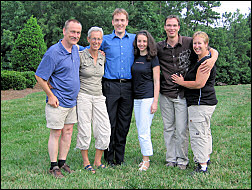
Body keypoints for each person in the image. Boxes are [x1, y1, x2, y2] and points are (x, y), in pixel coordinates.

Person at [156, 15, 218, 170]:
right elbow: (141, 49)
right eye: (168, 25)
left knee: (182, 130)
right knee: (168, 129)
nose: (171, 28)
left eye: (174, 25)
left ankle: (183, 160)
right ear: (164, 27)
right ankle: (171, 158)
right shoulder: (159, 47)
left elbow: (209, 48)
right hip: (166, 93)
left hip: (183, 94)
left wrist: (212, 59)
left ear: (178, 27)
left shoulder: (189, 42)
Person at [35, 19, 82, 178]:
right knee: (56, 132)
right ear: (64, 31)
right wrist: (50, 95)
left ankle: (62, 162)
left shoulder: (76, 49)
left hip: (72, 102)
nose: (75, 35)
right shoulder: (53, 52)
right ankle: (53, 166)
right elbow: (40, 76)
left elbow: (89, 49)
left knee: (68, 132)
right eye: (72, 32)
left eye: (78, 32)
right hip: (58, 101)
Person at [171, 31, 218, 174]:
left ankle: (202, 166)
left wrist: (181, 82)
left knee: (198, 134)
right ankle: (206, 157)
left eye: (200, 43)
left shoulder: (205, 62)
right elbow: (214, 51)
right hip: (205, 102)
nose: (196, 46)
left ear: (206, 45)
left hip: (200, 102)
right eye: (195, 43)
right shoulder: (203, 58)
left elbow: (199, 83)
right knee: (205, 131)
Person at [100, 8, 136, 166]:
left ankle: (119, 157)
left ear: (127, 22)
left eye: (122, 20)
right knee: (110, 122)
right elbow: (89, 49)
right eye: (117, 20)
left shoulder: (135, 39)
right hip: (110, 85)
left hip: (128, 86)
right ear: (112, 22)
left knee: (124, 123)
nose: (120, 23)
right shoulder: (105, 40)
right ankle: (108, 157)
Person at [75, 27, 111, 174]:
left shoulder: (103, 56)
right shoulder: (80, 56)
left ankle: (97, 160)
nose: (96, 41)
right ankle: (86, 162)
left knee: (104, 128)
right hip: (83, 96)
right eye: (94, 38)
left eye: (99, 39)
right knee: (84, 128)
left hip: (99, 96)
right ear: (88, 39)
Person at [131, 30, 160, 171]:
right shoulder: (135, 56)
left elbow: (156, 81)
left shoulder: (152, 58)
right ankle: (145, 156)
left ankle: (146, 160)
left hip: (148, 98)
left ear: (148, 42)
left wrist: (155, 101)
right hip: (136, 98)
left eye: (144, 41)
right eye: (139, 41)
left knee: (144, 129)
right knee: (140, 128)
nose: (141, 44)